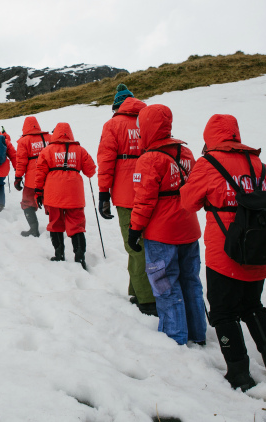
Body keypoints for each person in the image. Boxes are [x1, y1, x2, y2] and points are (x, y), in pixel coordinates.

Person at [181, 114, 266, 393]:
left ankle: (239, 373)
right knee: (253, 306)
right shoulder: (259, 164)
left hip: (225, 252)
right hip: (259, 249)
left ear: (210, 137)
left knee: (222, 312)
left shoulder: (208, 164)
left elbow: (188, 202)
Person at [126, 104, 206, 346]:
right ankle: (197, 332)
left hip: (162, 233)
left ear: (148, 127)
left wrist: (134, 229)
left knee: (164, 284)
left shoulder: (148, 159)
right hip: (188, 228)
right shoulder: (187, 153)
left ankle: (174, 336)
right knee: (191, 280)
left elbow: (144, 201)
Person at [97, 86, 158, 316]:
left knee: (135, 246)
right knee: (147, 243)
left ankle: (147, 300)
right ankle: (137, 290)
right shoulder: (150, 121)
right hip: (152, 191)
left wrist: (104, 193)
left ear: (117, 106)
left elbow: (105, 160)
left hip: (125, 195)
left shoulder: (112, 125)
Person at [34, 122, 96, 269]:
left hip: (53, 192)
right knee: (77, 225)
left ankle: (59, 254)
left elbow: (40, 172)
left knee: (55, 223)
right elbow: (91, 171)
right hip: (74, 193)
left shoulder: (47, 150)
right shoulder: (80, 150)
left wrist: (38, 191)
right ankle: (80, 257)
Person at [14, 116, 49, 237]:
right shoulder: (49, 138)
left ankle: (34, 230)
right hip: (49, 177)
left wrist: (18, 178)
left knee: (27, 202)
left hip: (32, 180)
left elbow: (21, 162)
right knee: (51, 204)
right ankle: (57, 231)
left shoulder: (24, 141)